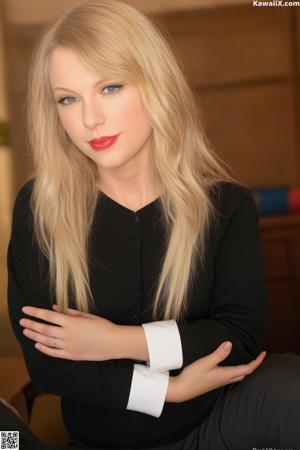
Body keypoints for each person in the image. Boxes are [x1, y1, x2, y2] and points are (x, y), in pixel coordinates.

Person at [6, 1, 300, 449]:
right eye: (68, 98)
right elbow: (49, 364)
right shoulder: (39, 208)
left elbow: (237, 337)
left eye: (110, 88)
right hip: (100, 439)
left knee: (292, 385)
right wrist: (166, 390)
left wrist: (118, 342)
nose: (90, 119)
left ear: (155, 84)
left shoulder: (227, 206)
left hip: (212, 423)